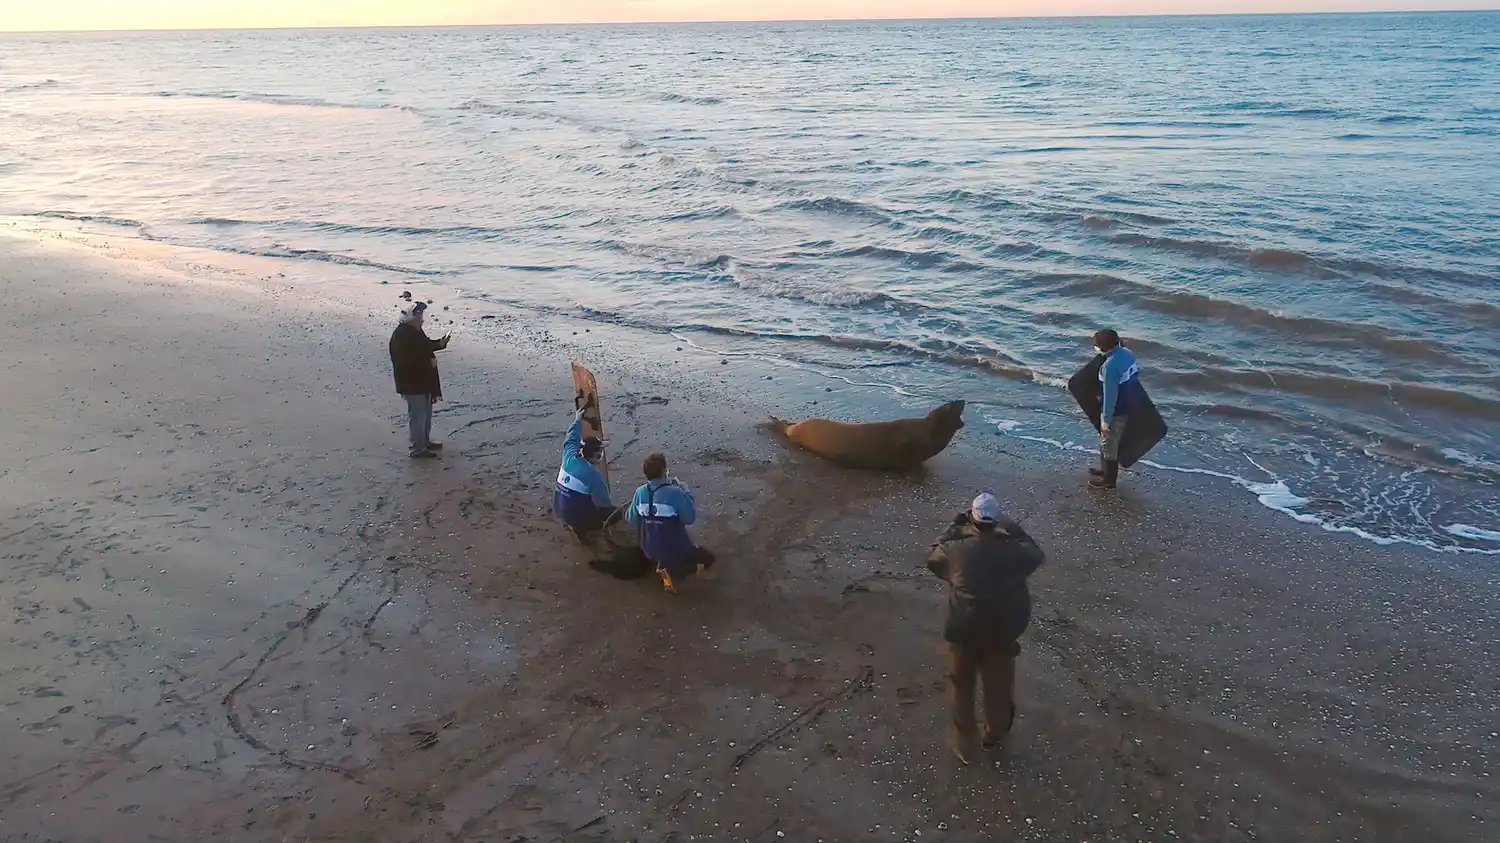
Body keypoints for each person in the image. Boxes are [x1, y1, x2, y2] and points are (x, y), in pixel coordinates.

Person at [927, 492, 1045, 765]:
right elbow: (1035, 554)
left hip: (963, 631)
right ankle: (994, 735)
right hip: (1000, 634)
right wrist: (1013, 528)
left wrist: (954, 526)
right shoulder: (1014, 552)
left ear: (974, 519)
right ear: (996, 522)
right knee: (998, 688)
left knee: (962, 687)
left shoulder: (957, 551)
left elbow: (933, 555)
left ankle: (966, 744)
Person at [625, 453, 715, 593]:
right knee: (708, 559)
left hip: (648, 546)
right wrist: (686, 491)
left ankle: (662, 563)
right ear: (664, 471)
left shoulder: (640, 492)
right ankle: (674, 571)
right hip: (673, 547)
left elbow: (630, 517)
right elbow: (689, 518)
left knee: (661, 547)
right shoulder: (675, 493)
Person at [388, 300, 449, 459]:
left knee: (426, 414)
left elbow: (426, 345)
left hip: (423, 382)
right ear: (410, 318)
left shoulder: (413, 331)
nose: (422, 319)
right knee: (417, 416)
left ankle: (424, 442)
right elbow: (404, 362)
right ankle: (417, 449)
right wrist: (426, 362)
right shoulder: (401, 336)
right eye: (419, 316)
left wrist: (441, 343)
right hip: (412, 384)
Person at [1090, 328, 1143, 490]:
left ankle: (1109, 481)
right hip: (1129, 402)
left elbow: (1110, 396)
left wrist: (1106, 420)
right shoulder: (1127, 353)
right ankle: (1105, 470)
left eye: (1096, 345)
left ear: (1103, 348)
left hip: (1117, 410)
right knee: (1107, 442)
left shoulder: (1109, 367)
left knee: (1109, 443)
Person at [554, 406, 618, 540]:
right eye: (599, 451)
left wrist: (577, 420)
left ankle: (573, 523)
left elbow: (571, 438)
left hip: (559, 511)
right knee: (615, 513)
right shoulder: (593, 476)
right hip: (578, 517)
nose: (601, 454)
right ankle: (589, 529)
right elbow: (604, 503)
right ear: (595, 454)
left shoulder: (569, 456)